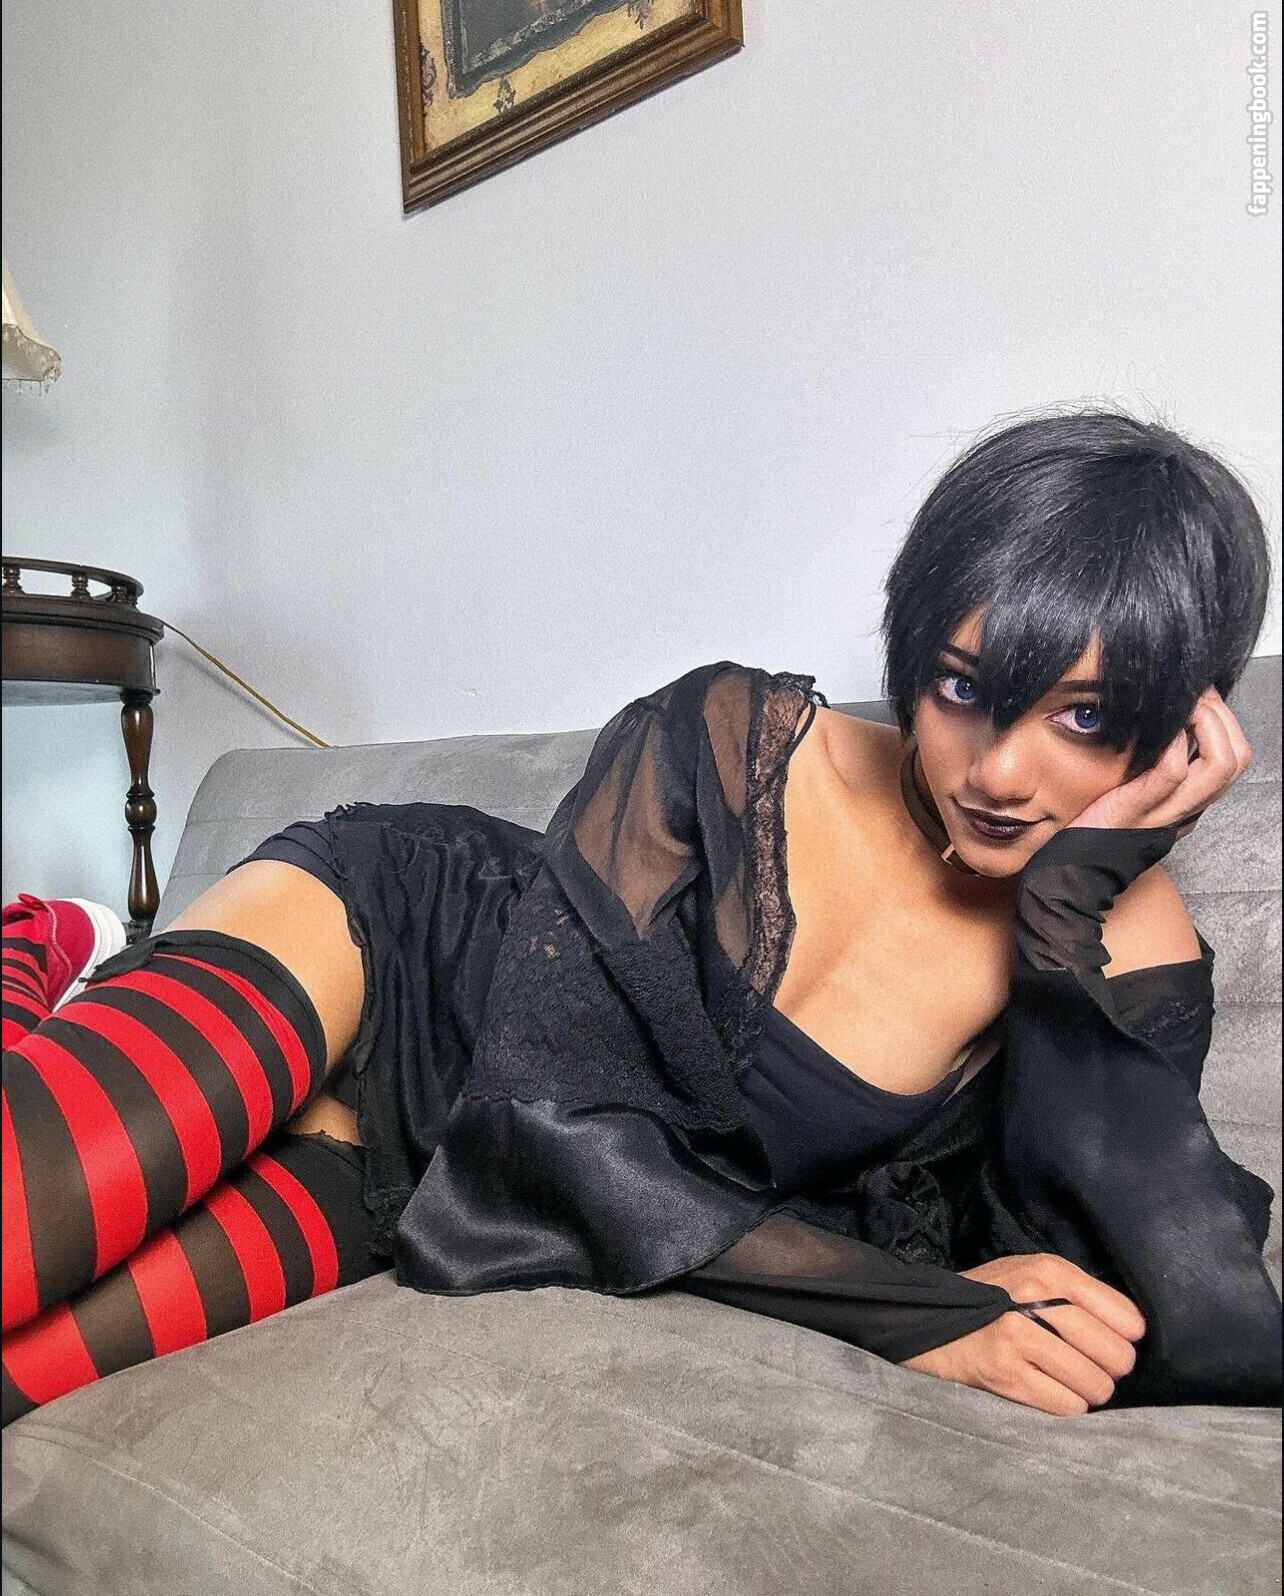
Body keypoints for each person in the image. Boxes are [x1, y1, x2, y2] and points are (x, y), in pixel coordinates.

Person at [4, 408, 1280, 1428]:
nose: (998, 772)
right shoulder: (729, 741)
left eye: (1084, 718)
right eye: (961, 686)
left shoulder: (1118, 942)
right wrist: (905, 1312)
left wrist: (1067, 904)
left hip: (423, 1177)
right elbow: (553, 1120)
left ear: (1182, 725)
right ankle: (38, 949)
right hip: (373, 954)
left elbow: (1156, 1312)